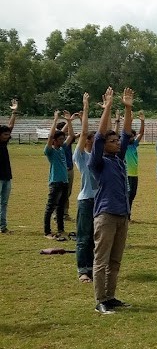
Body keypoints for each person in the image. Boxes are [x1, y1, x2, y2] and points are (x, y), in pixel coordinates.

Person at [89, 87, 133, 314]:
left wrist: (127, 108)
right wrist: (107, 108)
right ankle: (100, 301)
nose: (117, 143)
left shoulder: (118, 160)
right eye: (112, 140)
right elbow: (97, 137)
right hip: (105, 215)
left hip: (122, 214)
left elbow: (126, 134)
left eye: (117, 141)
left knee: (115, 261)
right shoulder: (98, 162)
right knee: (102, 260)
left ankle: (111, 296)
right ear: (104, 145)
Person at [72, 93, 98, 283]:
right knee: (84, 237)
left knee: (99, 238)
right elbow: (82, 133)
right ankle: (83, 270)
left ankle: (96, 268)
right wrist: (86, 108)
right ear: (87, 141)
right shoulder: (81, 157)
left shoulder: (101, 159)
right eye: (94, 139)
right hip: (86, 200)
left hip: (101, 201)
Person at [43, 111, 74, 239]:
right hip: (55, 182)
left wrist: (69, 121)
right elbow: (50, 136)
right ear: (54, 141)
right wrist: (55, 119)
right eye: (60, 139)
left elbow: (71, 135)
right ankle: (47, 231)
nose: (63, 140)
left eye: (63, 138)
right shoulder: (50, 151)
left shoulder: (62, 148)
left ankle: (61, 229)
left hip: (64, 181)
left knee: (61, 207)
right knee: (50, 207)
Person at [0, 99, 18, 234]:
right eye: (5, 135)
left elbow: (10, 126)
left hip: (7, 176)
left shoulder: (4, 143)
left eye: (8, 135)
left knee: (4, 203)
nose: (7, 136)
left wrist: (14, 112)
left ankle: (3, 226)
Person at [56, 116, 77, 221]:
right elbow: (60, 134)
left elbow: (75, 135)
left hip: (69, 169)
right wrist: (69, 121)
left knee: (67, 192)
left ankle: (65, 213)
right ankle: (58, 214)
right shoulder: (57, 145)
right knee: (60, 193)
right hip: (61, 171)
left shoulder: (67, 142)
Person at [125, 111, 145, 210]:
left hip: (134, 174)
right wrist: (130, 120)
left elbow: (141, 133)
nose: (133, 137)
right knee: (127, 195)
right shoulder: (123, 146)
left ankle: (128, 214)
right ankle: (126, 215)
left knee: (132, 195)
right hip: (127, 174)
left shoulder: (134, 145)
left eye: (133, 136)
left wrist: (142, 121)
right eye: (131, 136)